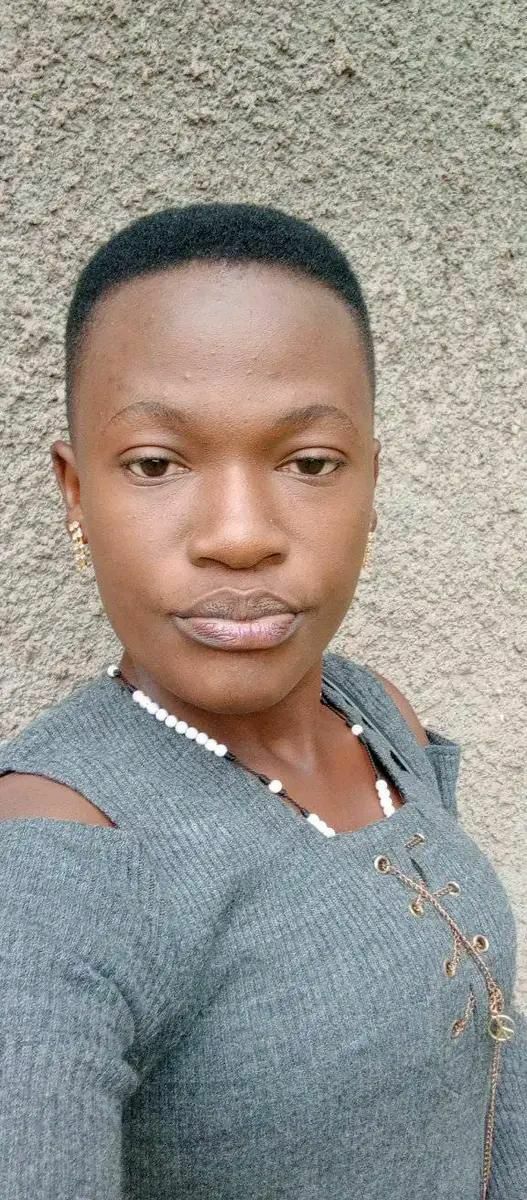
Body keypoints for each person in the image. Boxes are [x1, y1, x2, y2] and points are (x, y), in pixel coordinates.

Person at [0, 202, 524, 1200]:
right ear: (75, 492)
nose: (239, 535)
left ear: (370, 482)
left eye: (309, 463)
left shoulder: (377, 719)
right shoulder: (51, 864)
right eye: (156, 464)